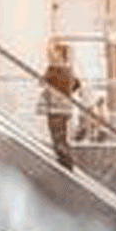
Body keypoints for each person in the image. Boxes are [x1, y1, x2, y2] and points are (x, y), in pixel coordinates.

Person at [42, 42, 81, 171]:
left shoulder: (53, 69)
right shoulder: (68, 70)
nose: (50, 56)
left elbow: (43, 82)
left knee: (56, 135)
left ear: (60, 55)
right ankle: (66, 160)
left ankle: (65, 160)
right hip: (64, 108)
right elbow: (77, 84)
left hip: (55, 107)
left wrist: (55, 93)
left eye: (53, 53)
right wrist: (66, 95)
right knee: (61, 135)